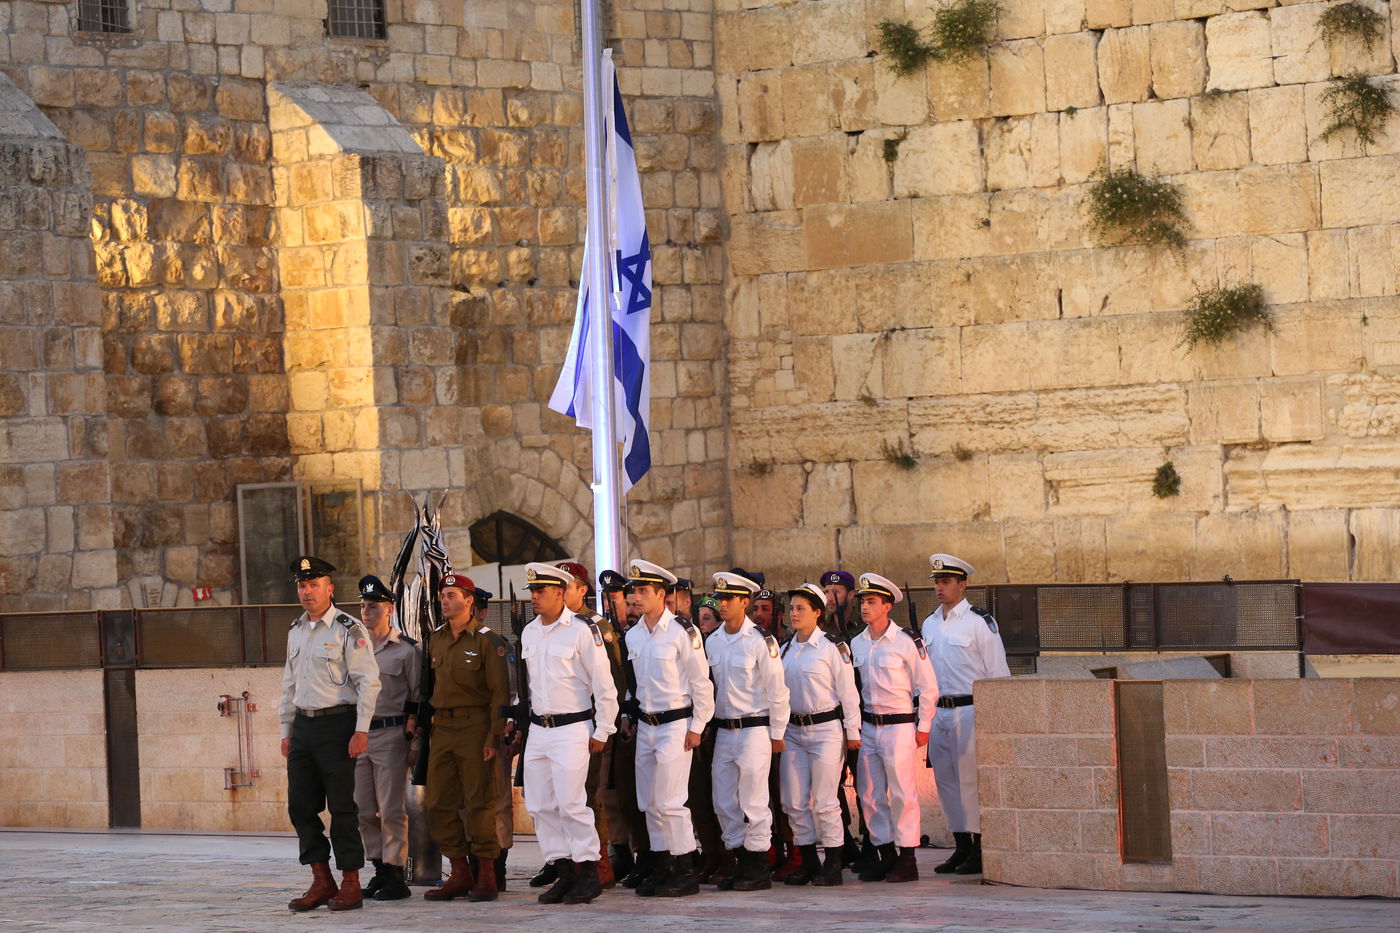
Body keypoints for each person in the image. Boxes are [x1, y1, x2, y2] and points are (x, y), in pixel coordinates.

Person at [279, 556, 381, 912]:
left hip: (338, 725)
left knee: (342, 808)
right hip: (304, 727)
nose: (307, 592)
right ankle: (322, 880)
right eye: (302, 586)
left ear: (329, 589)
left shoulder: (347, 629)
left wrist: (361, 730)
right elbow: (289, 684)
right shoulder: (295, 630)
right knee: (300, 806)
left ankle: (351, 882)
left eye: (314, 585)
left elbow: (369, 682)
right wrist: (286, 729)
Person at [517, 562, 619, 905]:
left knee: (573, 804)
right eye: (532, 591)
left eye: (540, 591)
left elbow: (604, 684)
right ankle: (562, 872)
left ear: (560, 593)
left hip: (572, 728)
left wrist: (604, 728)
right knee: (541, 804)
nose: (534, 597)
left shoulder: (581, 630)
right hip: (539, 728)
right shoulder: (530, 631)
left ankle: (588, 873)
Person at [623, 559, 715, 898]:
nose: (637, 596)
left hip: (676, 723)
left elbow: (701, 681)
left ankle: (685, 868)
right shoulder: (634, 635)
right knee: (650, 801)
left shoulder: (682, 632)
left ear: (662, 594)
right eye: (636, 590)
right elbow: (635, 684)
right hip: (647, 724)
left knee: (672, 801)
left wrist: (699, 724)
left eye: (644, 590)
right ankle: (662, 866)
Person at [422, 572, 511, 902]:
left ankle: (486, 873)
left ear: (469, 601)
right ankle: (459, 871)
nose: (445, 600)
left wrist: (494, 738)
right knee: (438, 803)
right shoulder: (436, 639)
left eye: (451, 595)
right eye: (443, 595)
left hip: (475, 728)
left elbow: (500, 695)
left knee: (479, 802)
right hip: (442, 729)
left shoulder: (489, 641)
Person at [921, 553, 1010, 876]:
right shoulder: (930, 623)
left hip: (970, 710)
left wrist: (996, 721)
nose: (939, 588)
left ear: (963, 584)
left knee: (970, 782)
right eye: (937, 582)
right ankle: (961, 845)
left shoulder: (979, 622)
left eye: (946, 582)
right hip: (940, 712)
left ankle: (979, 846)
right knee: (946, 782)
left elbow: (997, 674)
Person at [848, 573, 938, 883]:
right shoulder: (857, 642)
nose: (864, 607)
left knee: (902, 793)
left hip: (898, 724)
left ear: (887, 606)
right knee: (869, 793)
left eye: (871, 601)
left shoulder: (906, 641)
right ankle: (885, 854)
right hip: (869, 725)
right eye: (862, 601)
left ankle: (908, 857)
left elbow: (928, 687)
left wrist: (923, 726)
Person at [706, 570, 790, 891]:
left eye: (728, 599)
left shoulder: (760, 641)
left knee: (753, 800)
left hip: (755, 728)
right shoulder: (713, 641)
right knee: (724, 801)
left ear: (745, 601)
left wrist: (778, 732)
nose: (722, 604)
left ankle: (757, 865)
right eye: (720, 597)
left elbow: (777, 690)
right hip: (724, 729)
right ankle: (741, 860)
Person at [778, 583, 861, 886]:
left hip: (825, 730)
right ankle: (809, 860)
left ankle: (834, 863)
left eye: (801, 608)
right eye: (791, 608)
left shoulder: (831, 647)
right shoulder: (786, 648)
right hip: (793, 731)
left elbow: (848, 693)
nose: (794, 613)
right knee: (793, 800)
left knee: (825, 800)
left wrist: (852, 732)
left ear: (817, 613)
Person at [557, 561, 630, 887]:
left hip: (589, 722)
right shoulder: (554, 624)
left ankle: (599, 862)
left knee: (590, 794)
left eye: (567, 586)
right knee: (563, 796)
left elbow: (612, 680)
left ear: (582, 590)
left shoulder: (596, 625)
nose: (560, 593)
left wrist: (605, 725)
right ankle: (571, 860)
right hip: (560, 726)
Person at [353, 575, 419, 902]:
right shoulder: (353, 648)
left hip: (392, 733)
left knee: (391, 808)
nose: (367, 612)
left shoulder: (406, 651)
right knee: (363, 808)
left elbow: (418, 699)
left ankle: (395, 872)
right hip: (359, 736)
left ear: (389, 609)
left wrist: (414, 740)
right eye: (363, 606)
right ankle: (378, 866)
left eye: (373, 607)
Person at [473, 587, 517, 891]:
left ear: (483, 611)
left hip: (493, 728)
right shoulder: (443, 639)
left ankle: (497, 864)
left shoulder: (494, 642)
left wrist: (508, 725)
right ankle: (474, 863)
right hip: (462, 733)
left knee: (498, 800)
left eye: (474, 607)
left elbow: (511, 690)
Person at [819, 570, 860, 638]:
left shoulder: (864, 625)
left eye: (836, 592)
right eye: (826, 592)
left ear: (851, 594)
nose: (829, 599)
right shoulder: (821, 627)